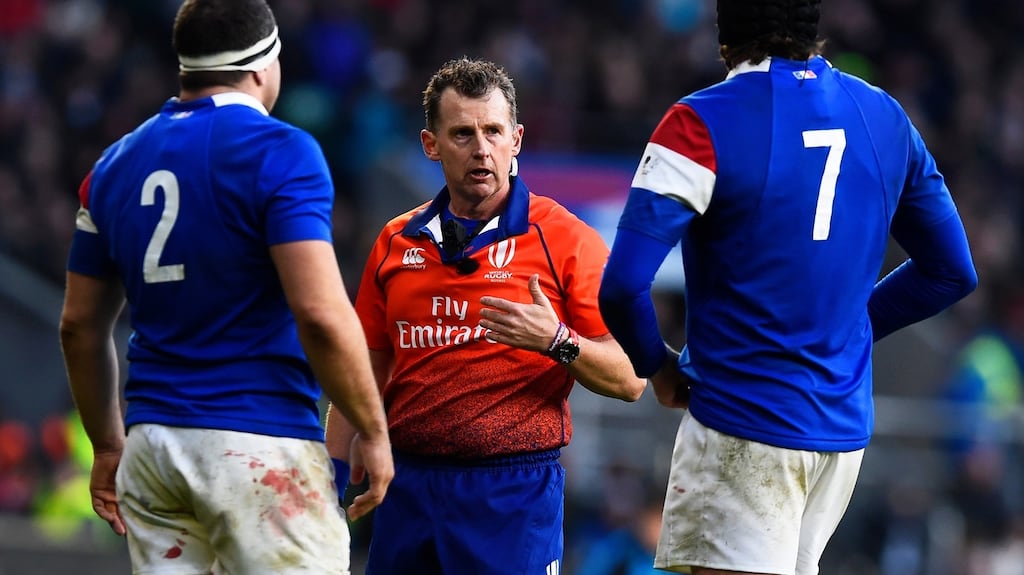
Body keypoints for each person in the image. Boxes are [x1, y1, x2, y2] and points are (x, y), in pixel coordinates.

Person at [597, 1, 979, 574]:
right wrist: (847, 331)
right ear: (813, 26)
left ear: (724, 34)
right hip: (839, 438)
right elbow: (952, 270)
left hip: (742, 427)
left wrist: (658, 367)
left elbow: (623, 285)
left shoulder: (700, 122)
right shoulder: (884, 117)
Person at [57, 1, 393, 573]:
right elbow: (317, 312)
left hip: (152, 451)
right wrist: (372, 428)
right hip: (258, 446)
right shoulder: (282, 152)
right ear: (265, 65)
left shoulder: (113, 165)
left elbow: (79, 325)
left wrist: (109, 445)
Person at [323, 56, 647, 575]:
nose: (481, 149)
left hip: (513, 495)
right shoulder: (394, 242)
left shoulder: (565, 239)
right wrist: (330, 485)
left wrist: (557, 340)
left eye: (493, 131)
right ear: (431, 145)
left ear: (516, 139)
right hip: (409, 490)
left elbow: (631, 379)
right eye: (462, 134)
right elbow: (363, 372)